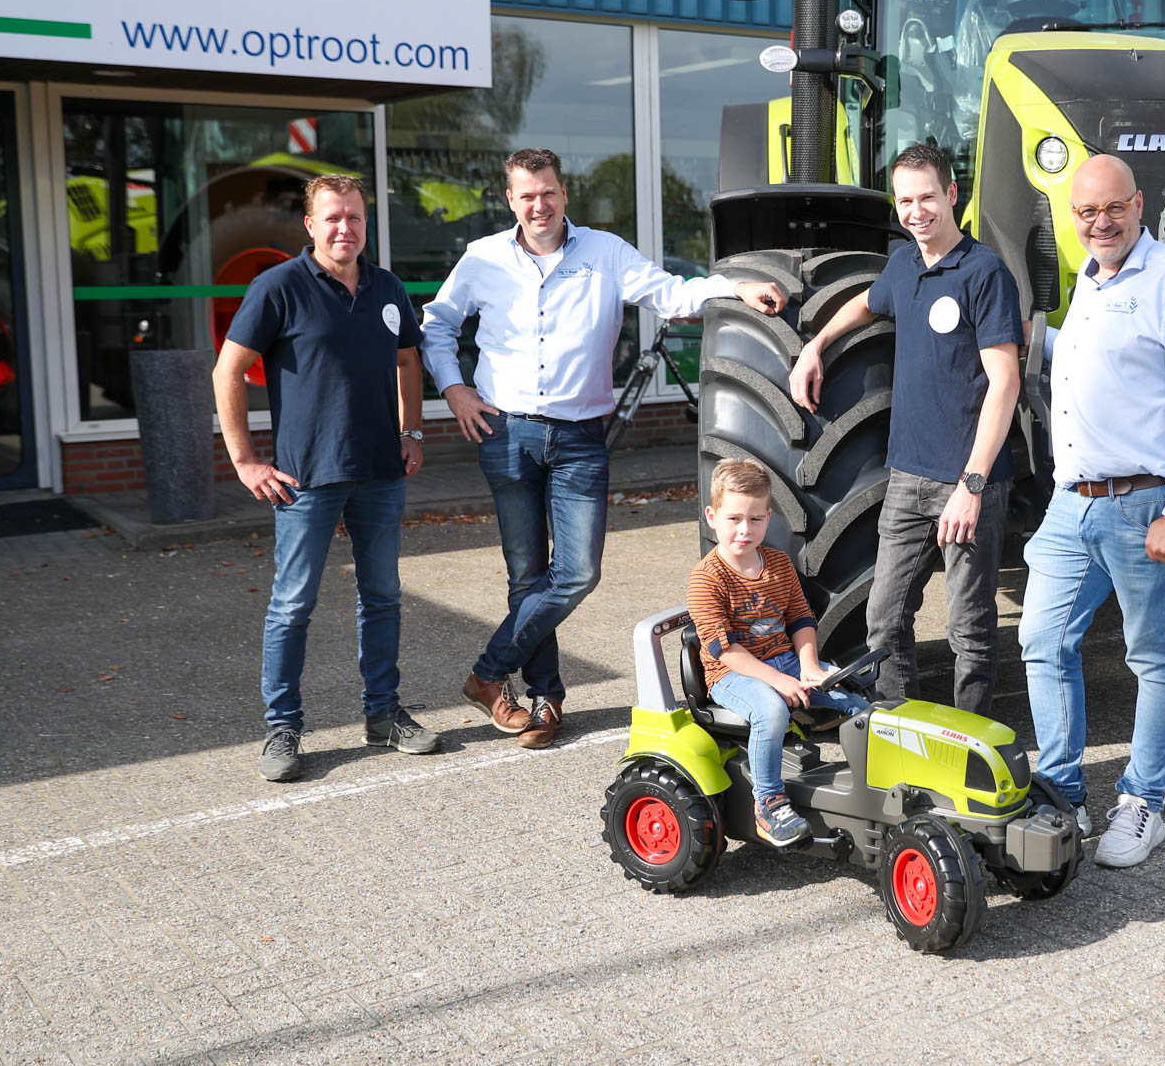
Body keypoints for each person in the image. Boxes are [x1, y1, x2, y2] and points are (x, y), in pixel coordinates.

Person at [421, 147, 787, 749]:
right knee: (526, 574)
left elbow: (671, 293)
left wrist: (735, 287)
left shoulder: (606, 252)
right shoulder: (482, 258)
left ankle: (488, 675)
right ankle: (545, 700)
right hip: (506, 433)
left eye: (548, 192)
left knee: (577, 573)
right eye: (526, 195)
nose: (539, 205)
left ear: (564, 194)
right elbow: (437, 324)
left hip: (579, 438)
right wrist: (454, 390)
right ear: (510, 200)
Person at [1018, 154, 1165, 869]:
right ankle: (1062, 794)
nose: (1100, 222)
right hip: (1071, 504)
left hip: (1144, 503)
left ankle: (1143, 803)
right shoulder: (1089, 279)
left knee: (1154, 655)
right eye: (1087, 212)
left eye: (1113, 208)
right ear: (1072, 217)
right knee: (1042, 640)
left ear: (1139, 205)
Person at [213, 173, 439, 782]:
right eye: (333, 218)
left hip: (380, 471)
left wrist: (412, 431)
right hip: (305, 477)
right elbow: (227, 371)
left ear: (366, 223)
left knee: (382, 596)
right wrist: (244, 460)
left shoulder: (387, 287)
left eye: (355, 217)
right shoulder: (278, 286)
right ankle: (282, 727)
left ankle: (383, 714)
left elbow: (407, 360)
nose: (345, 228)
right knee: (292, 606)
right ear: (310, 225)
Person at [788, 144, 1021, 715]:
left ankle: (968, 740)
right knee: (884, 618)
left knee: (969, 628)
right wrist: (816, 345)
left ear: (952, 195)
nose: (916, 211)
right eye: (905, 200)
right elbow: (866, 304)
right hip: (907, 479)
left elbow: (1005, 383)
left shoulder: (984, 273)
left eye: (927, 198)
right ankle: (902, 731)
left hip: (969, 484)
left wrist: (971, 486)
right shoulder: (903, 264)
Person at [687, 459, 870, 846]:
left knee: (854, 699)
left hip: (785, 660)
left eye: (755, 519)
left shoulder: (779, 564)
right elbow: (725, 651)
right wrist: (780, 681)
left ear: (768, 518)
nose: (745, 529)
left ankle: (876, 784)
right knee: (771, 711)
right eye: (734, 518)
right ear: (712, 517)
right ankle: (768, 804)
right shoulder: (706, 579)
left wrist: (808, 666)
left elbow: (801, 619)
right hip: (732, 675)